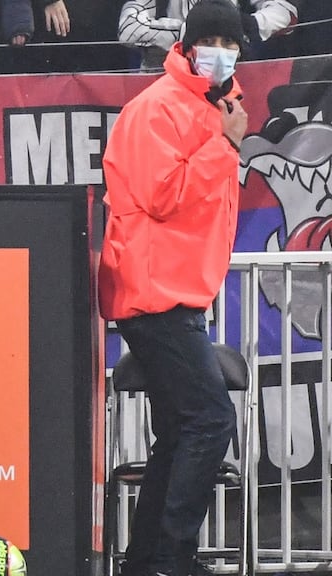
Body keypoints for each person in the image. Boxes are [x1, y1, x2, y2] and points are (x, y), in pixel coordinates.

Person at [98, 2, 249, 575]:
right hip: (153, 291)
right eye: (207, 39)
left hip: (175, 289)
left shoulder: (214, 106)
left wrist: (222, 134)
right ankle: (171, 557)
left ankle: (146, 562)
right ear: (185, 45)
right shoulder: (158, 107)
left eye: (228, 41)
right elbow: (164, 196)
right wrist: (226, 145)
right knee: (210, 420)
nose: (220, 50)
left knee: (181, 429)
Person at [117, 0, 300, 70]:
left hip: (229, 77)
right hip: (167, 75)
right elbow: (128, 29)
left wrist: (248, 24)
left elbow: (287, 14)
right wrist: (191, 32)